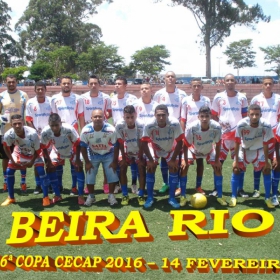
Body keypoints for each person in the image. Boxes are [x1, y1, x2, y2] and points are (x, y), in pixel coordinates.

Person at [1, 114, 58, 207]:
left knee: (40, 171)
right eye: (15, 124)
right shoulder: (9, 134)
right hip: (19, 153)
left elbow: (38, 150)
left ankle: (46, 197)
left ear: (23, 122)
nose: (17, 126)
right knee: (9, 171)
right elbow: (6, 147)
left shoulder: (32, 133)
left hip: (34, 154)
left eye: (19, 123)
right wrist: (12, 160)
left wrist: (31, 162)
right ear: (11, 124)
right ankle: (11, 197)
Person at [139, 104, 184, 209]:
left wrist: (173, 160)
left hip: (170, 148)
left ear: (168, 115)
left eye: (163, 115)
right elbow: (144, 143)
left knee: (173, 168)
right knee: (150, 168)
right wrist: (150, 160)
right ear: (154, 115)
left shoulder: (174, 123)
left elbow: (180, 142)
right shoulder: (149, 124)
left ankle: (172, 198)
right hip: (154, 148)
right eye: (158, 115)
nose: (161, 117)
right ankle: (150, 197)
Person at [230, 104, 275, 208]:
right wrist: (236, 160)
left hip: (259, 150)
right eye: (252, 114)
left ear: (261, 115)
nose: (254, 117)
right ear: (248, 114)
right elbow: (236, 142)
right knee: (236, 169)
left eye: (257, 114)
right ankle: (233, 197)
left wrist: (267, 162)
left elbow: (266, 142)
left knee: (267, 170)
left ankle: (267, 198)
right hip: (244, 149)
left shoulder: (266, 125)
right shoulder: (241, 124)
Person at [211, 73, 248, 197]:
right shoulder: (218, 97)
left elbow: (244, 116)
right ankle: (216, 189)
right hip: (222, 136)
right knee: (218, 162)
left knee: (240, 162)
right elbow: (214, 115)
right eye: (227, 80)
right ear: (224, 82)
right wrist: (219, 127)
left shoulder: (242, 98)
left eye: (232, 80)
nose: (230, 82)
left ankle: (240, 189)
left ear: (235, 82)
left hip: (238, 136)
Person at [182, 106, 227, 206]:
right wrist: (185, 160)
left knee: (218, 168)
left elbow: (218, 144)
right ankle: (183, 196)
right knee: (184, 167)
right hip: (193, 149)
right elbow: (185, 145)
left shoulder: (216, 126)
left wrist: (217, 160)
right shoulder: (192, 127)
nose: (204, 119)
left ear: (210, 116)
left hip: (208, 150)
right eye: (202, 116)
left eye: (207, 116)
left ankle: (220, 196)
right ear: (198, 117)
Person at [152, 71, 187, 195]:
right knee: (162, 155)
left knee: (176, 157)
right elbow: (155, 111)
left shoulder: (182, 94)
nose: (170, 78)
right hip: (161, 129)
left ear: (175, 79)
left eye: (172, 76)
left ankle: (176, 184)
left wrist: (181, 132)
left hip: (175, 130)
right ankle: (165, 183)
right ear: (164, 79)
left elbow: (183, 115)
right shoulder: (158, 94)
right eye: (168, 76)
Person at [51, 76, 85, 195]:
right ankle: (59, 186)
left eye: (68, 83)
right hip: (58, 134)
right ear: (60, 84)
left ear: (71, 85)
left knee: (74, 161)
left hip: (73, 134)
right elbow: (53, 117)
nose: (66, 85)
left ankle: (74, 187)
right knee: (58, 161)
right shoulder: (54, 99)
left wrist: (82, 132)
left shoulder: (78, 99)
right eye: (64, 83)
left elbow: (81, 116)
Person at [40, 113, 85, 205]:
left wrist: (77, 159)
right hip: (57, 151)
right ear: (49, 124)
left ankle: (80, 195)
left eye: (57, 125)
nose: (55, 128)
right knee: (49, 168)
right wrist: (48, 161)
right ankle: (57, 195)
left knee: (79, 167)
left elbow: (77, 143)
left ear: (60, 123)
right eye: (52, 125)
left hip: (72, 150)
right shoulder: (45, 132)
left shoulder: (69, 129)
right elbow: (43, 147)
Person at [79, 109, 119, 206]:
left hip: (108, 153)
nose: (98, 118)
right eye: (95, 117)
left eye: (100, 116)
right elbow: (83, 147)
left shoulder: (111, 129)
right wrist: (87, 162)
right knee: (90, 174)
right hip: (93, 154)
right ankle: (91, 196)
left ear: (104, 118)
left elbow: (116, 146)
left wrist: (114, 161)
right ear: (91, 118)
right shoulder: (85, 131)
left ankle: (111, 196)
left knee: (112, 174)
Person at [250, 76, 280, 203]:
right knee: (258, 164)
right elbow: (252, 116)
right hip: (259, 135)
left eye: (270, 84)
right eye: (266, 84)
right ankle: (256, 190)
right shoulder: (256, 99)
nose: (268, 86)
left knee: (276, 163)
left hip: (274, 135)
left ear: (273, 85)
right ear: (262, 85)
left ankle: (274, 193)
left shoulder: (278, 98)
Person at [81, 75, 112, 194]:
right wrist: (83, 129)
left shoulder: (106, 98)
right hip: (89, 133)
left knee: (105, 157)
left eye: (96, 83)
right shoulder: (82, 98)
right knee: (88, 159)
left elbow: (109, 113)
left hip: (103, 132)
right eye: (91, 83)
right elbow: (81, 115)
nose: (93, 85)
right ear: (88, 85)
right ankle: (88, 185)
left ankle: (106, 184)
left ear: (99, 85)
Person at [180, 78, 211, 195]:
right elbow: (183, 119)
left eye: (199, 86)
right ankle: (181, 187)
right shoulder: (185, 100)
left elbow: (210, 117)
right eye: (194, 86)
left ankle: (198, 186)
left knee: (200, 161)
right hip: (189, 135)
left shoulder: (206, 100)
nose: (196, 88)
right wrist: (182, 135)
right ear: (190, 87)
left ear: (202, 87)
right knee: (185, 162)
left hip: (202, 135)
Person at [0, 74, 29, 194]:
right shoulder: (1, 96)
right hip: (4, 131)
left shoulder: (23, 95)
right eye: (9, 82)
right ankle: (6, 181)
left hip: (20, 131)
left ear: (16, 82)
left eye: (13, 82)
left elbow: (27, 111)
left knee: (22, 155)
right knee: (6, 157)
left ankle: (23, 182)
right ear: (5, 82)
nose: (11, 84)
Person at [111, 76, 138, 193]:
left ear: (125, 86)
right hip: (117, 132)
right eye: (116, 83)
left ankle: (134, 184)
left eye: (119, 84)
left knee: (133, 160)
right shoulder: (111, 99)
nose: (117, 85)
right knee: (119, 160)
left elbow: (136, 114)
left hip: (131, 131)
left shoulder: (132, 99)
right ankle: (117, 184)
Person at [115, 105, 145, 206]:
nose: (130, 120)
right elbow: (120, 142)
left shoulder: (141, 124)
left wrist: (140, 157)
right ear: (124, 117)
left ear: (136, 115)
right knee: (122, 167)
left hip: (138, 149)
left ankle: (141, 194)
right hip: (125, 149)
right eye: (127, 117)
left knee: (141, 168)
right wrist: (123, 158)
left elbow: (142, 142)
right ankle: (125, 194)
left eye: (132, 117)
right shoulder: (119, 125)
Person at [26, 81, 52, 194]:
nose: (40, 91)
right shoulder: (30, 103)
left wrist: (48, 131)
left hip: (49, 135)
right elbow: (28, 119)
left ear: (45, 90)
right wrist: (36, 133)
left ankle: (49, 184)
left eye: (42, 89)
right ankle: (38, 185)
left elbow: (54, 117)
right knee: (37, 161)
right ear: (35, 90)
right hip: (36, 136)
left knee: (49, 160)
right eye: (38, 89)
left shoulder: (51, 101)